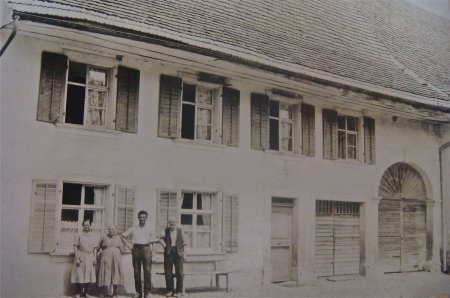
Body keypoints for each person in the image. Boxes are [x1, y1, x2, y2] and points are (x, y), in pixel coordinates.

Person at [122, 210, 159, 298]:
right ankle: (138, 292)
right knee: (136, 272)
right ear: (138, 218)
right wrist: (130, 246)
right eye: (141, 217)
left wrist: (153, 255)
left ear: (146, 218)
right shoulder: (134, 228)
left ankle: (147, 292)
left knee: (147, 272)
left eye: (144, 217)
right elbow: (123, 236)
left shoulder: (150, 228)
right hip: (136, 249)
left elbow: (154, 242)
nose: (142, 219)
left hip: (146, 249)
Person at [71, 219, 98, 298]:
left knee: (89, 275)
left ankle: (85, 292)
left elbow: (95, 248)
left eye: (88, 225)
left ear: (90, 225)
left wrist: (94, 258)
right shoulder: (78, 234)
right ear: (83, 225)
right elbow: (75, 247)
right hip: (81, 255)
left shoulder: (93, 235)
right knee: (80, 274)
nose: (87, 226)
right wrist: (77, 258)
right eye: (85, 225)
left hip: (90, 256)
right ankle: (79, 293)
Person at [98, 224, 124, 298]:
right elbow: (97, 247)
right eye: (110, 229)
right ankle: (104, 292)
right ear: (108, 230)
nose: (111, 231)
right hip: (106, 259)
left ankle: (114, 293)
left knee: (115, 274)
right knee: (105, 274)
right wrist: (98, 254)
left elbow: (122, 249)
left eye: (113, 229)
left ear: (116, 230)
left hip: (116, 259)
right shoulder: (104, 237)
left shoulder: (119, 238)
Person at [162, 216, 186, 297]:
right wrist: (164, 245)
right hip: (168, 252)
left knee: (179, 272)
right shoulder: (166, 230)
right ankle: (170, 290)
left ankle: (179, 291)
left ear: (176, 223)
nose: (172, 223)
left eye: (173, 222)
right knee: (168, 272)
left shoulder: (180, 231)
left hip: (178, 252)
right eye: (170, 222)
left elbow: (184, 243)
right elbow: (158, 238)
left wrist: (185, 253)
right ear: (168, 223)